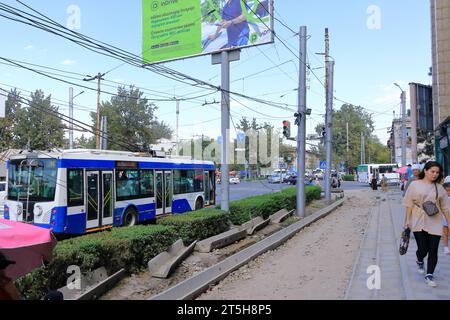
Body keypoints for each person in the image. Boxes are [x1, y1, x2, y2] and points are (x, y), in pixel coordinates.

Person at [403, 161, 450, 287]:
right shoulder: (414, 185)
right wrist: (408, 220)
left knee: (433, 249)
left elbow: (445, 207)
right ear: (426, 171)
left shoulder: (440, 188)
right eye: (432, 171)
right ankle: (419, 259)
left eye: (437, 172)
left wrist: (449, 223)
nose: (435, 174)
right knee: (423, 249)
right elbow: (408, 204)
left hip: (435, 220)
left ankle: (429, 275)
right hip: (418, 219)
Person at [443, 176, 450, 255]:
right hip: (445, 217)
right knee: (445, 233)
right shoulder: (442, 197)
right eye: (447, 190)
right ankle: (446, 247)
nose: (448, 192)